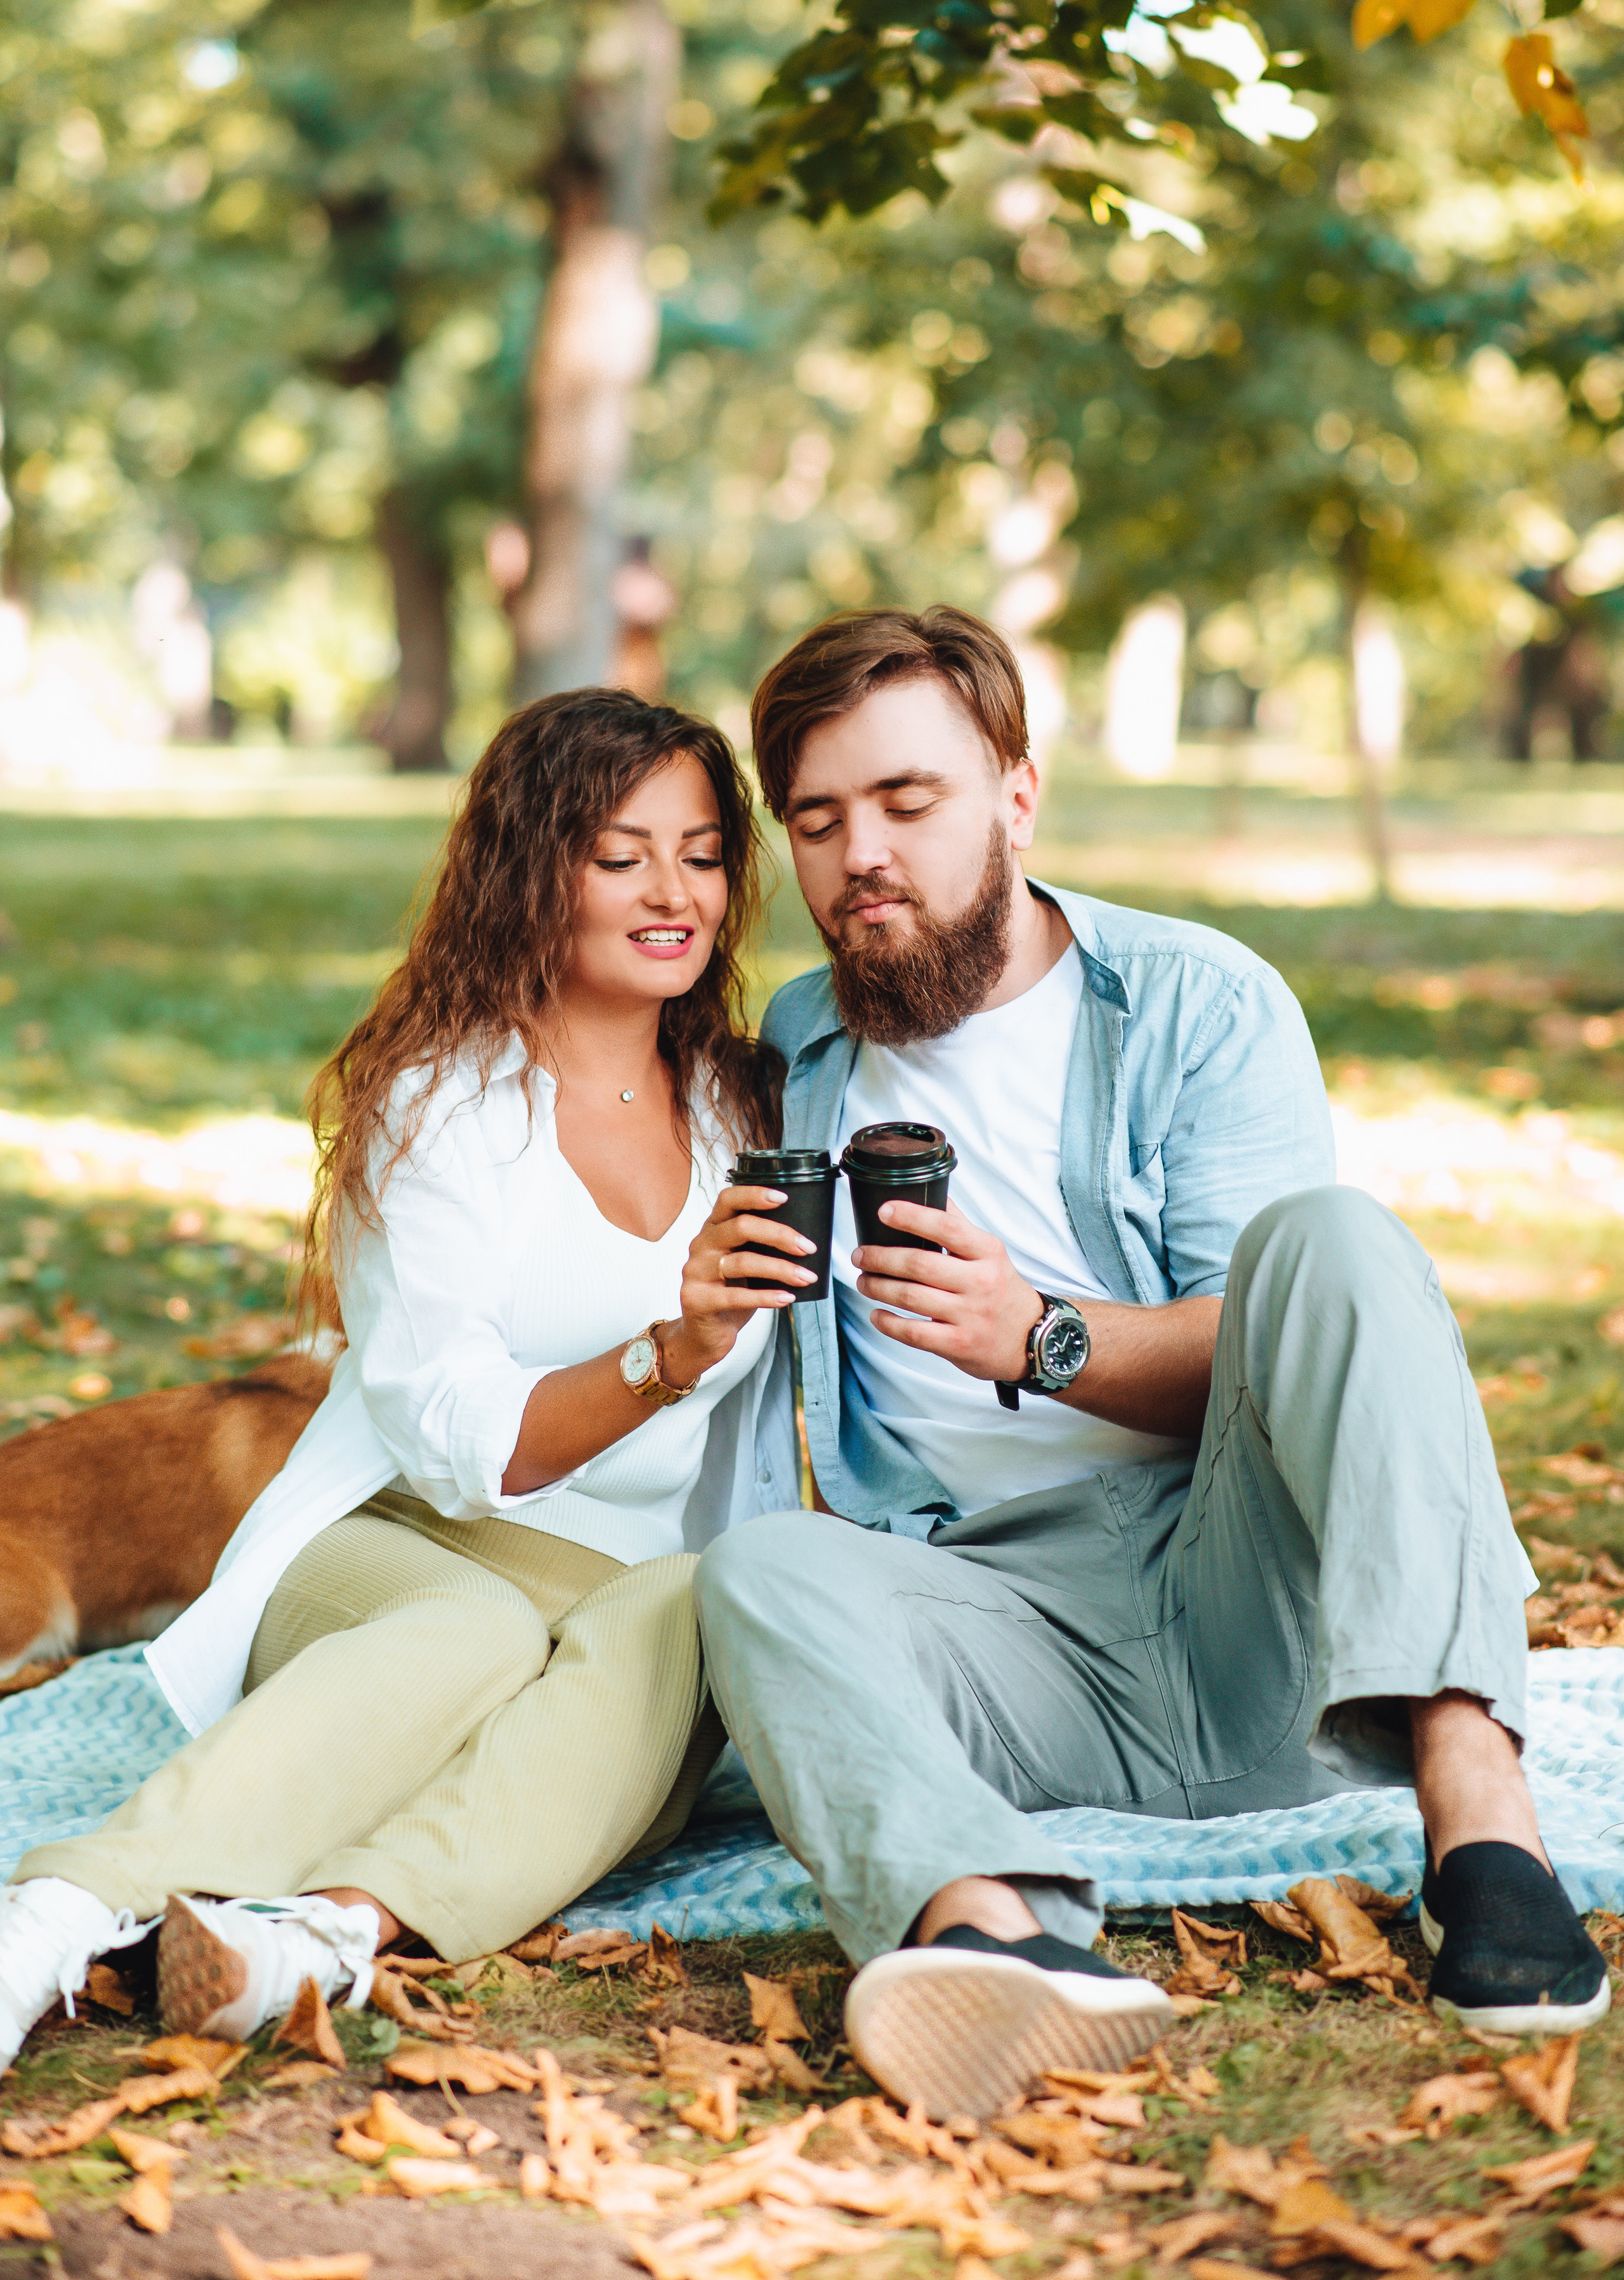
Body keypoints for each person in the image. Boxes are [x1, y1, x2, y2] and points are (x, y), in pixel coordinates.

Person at [695, 605, 1610, 2119]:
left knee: (1334, 1241)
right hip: (997, 1639)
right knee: (759, 1575)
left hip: (1241, 1596)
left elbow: (1291, 1339)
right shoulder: (791, 1048)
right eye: (817, 817)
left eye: (907, 801)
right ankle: (996, 1926)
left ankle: (1476, 1817)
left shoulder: (1196, 1000)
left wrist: (1037, 1336)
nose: (862, 852)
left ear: (1013, 792)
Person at [0, 690, 809, 2069]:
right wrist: (663, 1354)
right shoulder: (439, 1105)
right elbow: (459, 1450)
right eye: (620, 855)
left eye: (702, 852)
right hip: (393, 1544)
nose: (673, 891)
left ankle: (316, 1938)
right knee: (477, 1631)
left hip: (624, 1592)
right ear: (528, 869)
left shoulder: (749, 1108)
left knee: (700, 1597)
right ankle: (57, 1913)